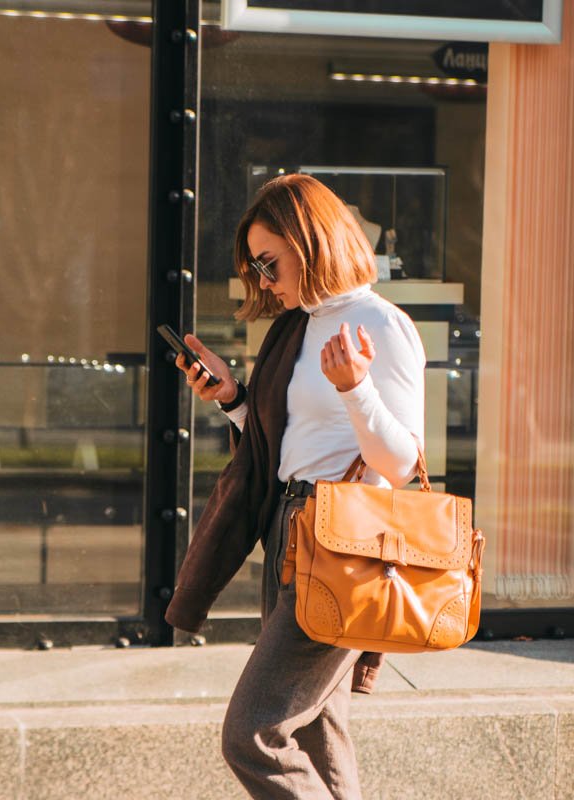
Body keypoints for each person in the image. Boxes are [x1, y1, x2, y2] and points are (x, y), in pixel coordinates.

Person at [164, 173, 426, 798]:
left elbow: (402, 464)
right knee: (314, 728)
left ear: (311, 242)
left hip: (345, 545)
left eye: (267, 261)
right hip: (290, 529)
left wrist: (357, 388)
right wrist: (231, 398)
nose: (261, 278)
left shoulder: (380, 325)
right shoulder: (298, 326)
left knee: (253, 735)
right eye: (254, 266)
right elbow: (285, 440)